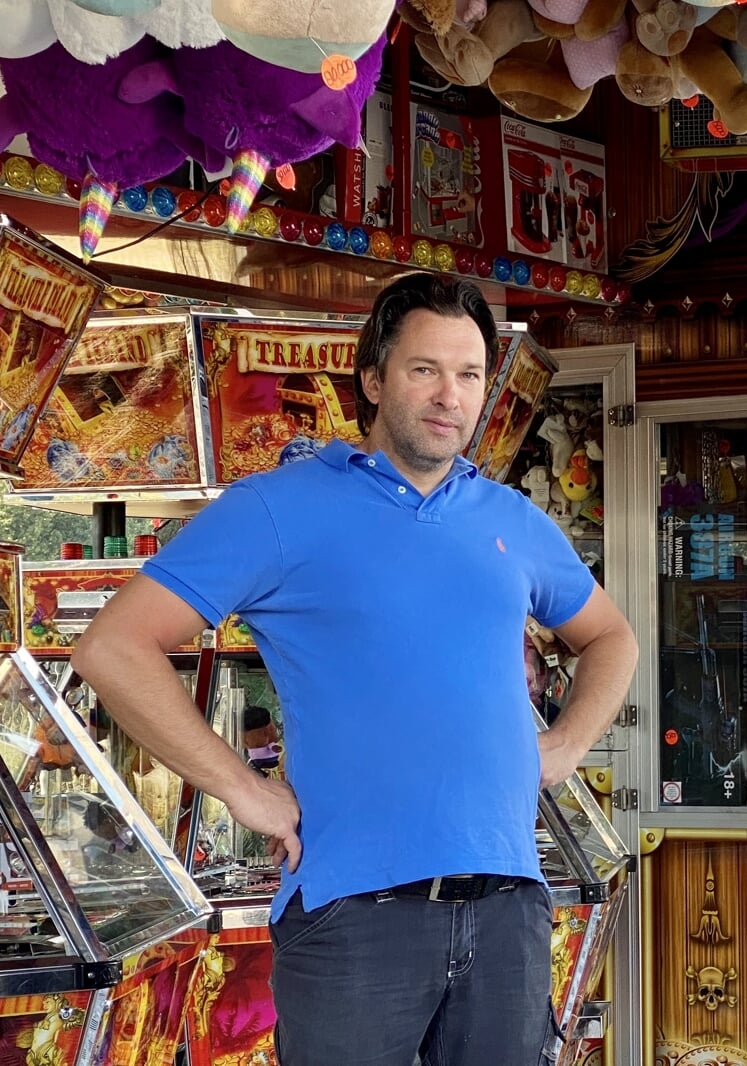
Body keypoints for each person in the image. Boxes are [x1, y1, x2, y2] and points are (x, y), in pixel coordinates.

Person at [71, 274, 637, 1066]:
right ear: (373, 379)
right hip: (355, 915)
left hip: (510, 907)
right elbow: (112, 648)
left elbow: (612, 638)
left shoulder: (511, 517)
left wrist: (569, 742)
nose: (451, 395)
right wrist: (244, 790)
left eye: (470, 375)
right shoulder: (277, 507)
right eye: (424, 370)